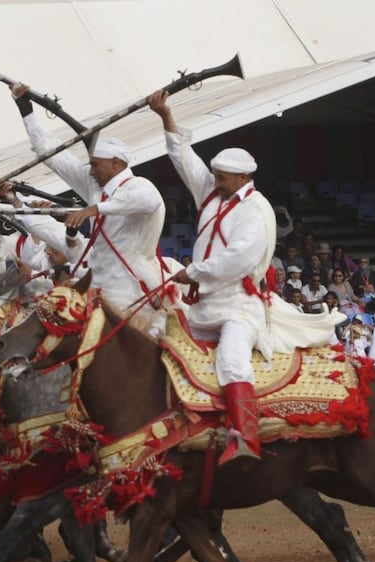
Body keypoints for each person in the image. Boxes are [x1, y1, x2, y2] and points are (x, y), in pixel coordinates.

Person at [152, 90, 342, 467]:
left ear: (242, 176)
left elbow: (238, 259)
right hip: (204, 304)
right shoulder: (213, 192)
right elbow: (183, 160)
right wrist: (166, 117)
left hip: (240, 304)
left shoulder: (257, 210)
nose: (214, 180)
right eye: (215, 175)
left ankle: (246, 439)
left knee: (232, 359)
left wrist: (193, 272)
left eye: (221, 176)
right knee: (162, 344)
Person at [15, 83, 165, 315]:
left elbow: (149, 201)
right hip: (97, 286)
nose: (90, 171)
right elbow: (52, 155)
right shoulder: (96, 186)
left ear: (115, 163)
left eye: (95, 165)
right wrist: (26, 109)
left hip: (132, 289)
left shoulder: (140, 186)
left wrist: (92, 210)